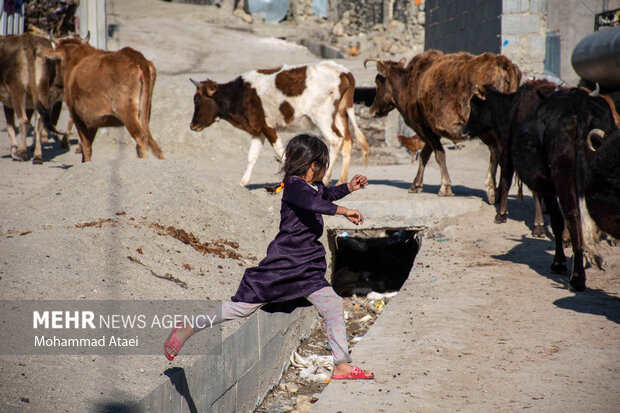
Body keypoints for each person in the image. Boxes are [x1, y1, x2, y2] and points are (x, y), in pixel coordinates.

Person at [164, 133, 374, 380]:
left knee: (332, 304)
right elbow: (314, 204)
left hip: (306, 266)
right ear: (312, 166)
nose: (325, 170)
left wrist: (349, 188)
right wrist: (345, 211)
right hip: (284, 264)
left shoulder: (314, 187)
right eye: (324, 165)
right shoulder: (294, 186)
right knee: (242, 308)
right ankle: (188, 328)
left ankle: (341, 365)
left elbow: (325, 197)